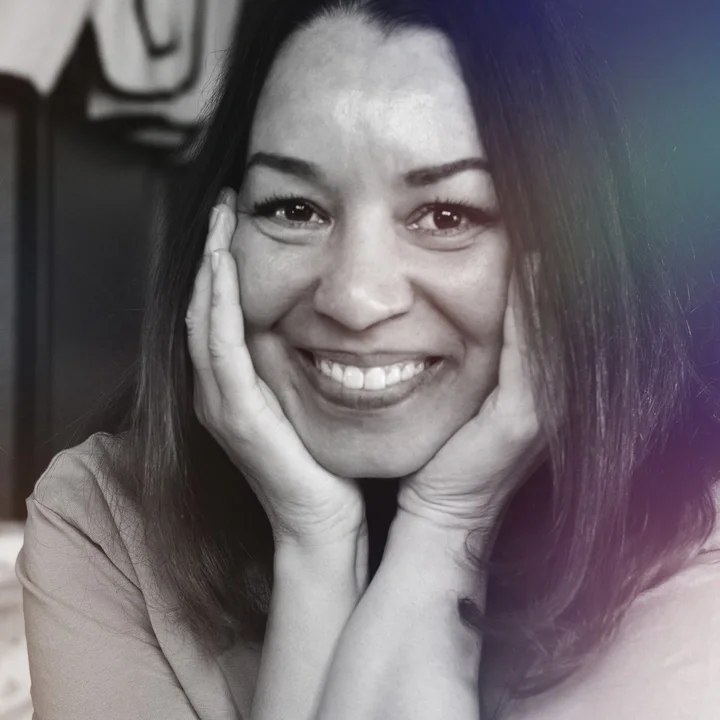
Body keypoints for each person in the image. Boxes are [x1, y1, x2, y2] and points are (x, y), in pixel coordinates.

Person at [16, 0, 720, 718]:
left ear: (575, 254)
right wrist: (314, 543)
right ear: (219, 235)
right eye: (295, 209)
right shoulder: (103, 521)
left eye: (446, 216)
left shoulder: (692, 544)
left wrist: (448, 522)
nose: (355, 298)